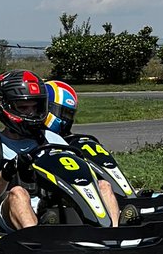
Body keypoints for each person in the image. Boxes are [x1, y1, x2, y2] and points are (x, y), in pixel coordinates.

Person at [0, 70, 118, 230]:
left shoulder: (52, 139)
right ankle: (35, 238)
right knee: (18, 192)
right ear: (5, 106)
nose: (31, 113)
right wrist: (10, 169)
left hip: (55, 205)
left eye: (35, 107)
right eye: (24, 107)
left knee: (103, 186)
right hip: (10, 214)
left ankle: (112, 236)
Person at [42, 78, 121, 221]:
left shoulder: (61, 141)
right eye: (64, 113)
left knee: (104, 185)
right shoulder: (36, 139)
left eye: (70, 115)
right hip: (49, 191)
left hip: (72, 186)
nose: (67, 119)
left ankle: (114, 227)